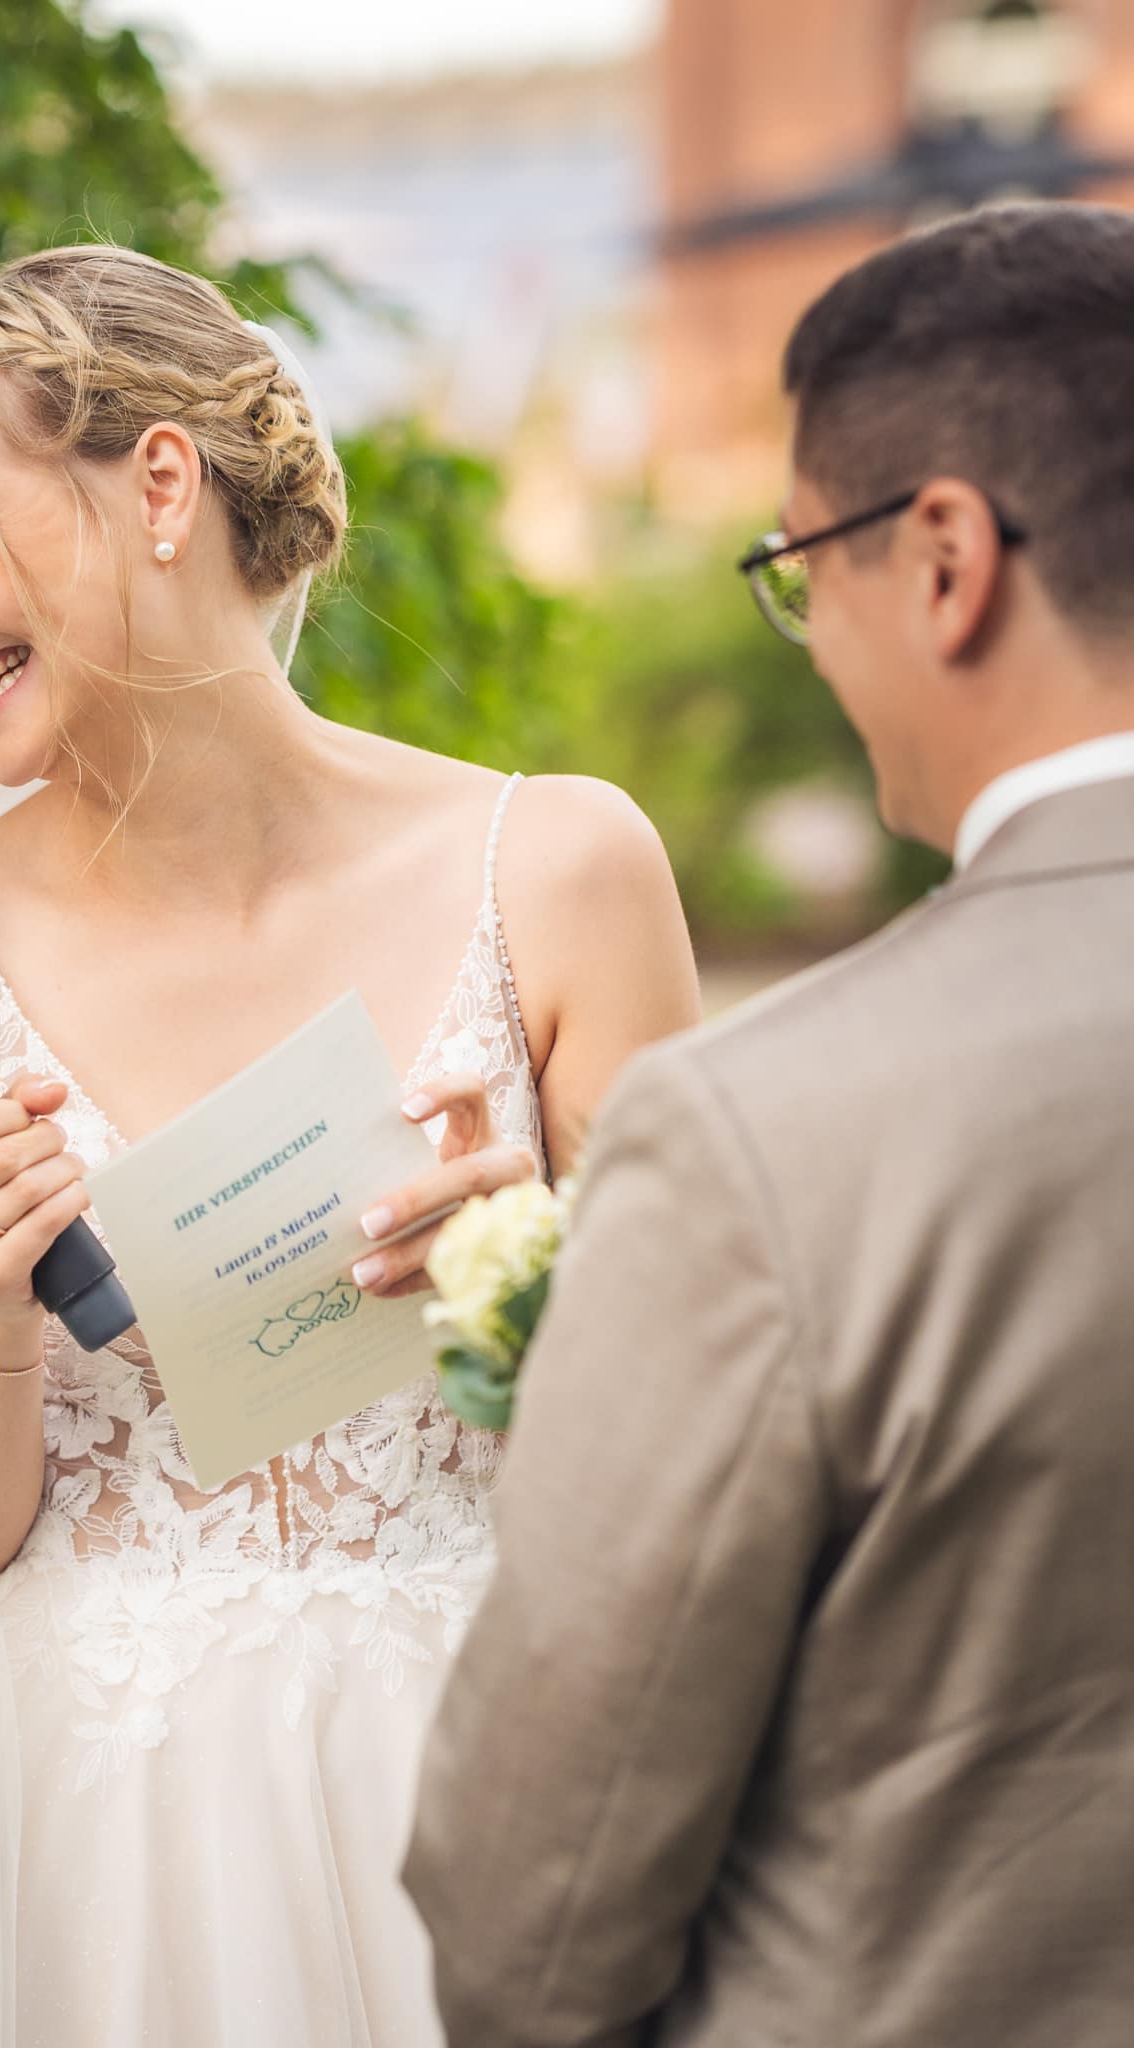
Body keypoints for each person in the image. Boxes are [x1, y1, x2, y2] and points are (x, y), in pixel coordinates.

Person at [0, 243, 698, 2047]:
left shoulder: (559, 871)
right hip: (93, 1844)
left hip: (495, 1782)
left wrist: (539, 1281)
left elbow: (718, 1438)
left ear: (159, 484)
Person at [403, 199, 1134, 2047]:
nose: (806, 633)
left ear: (948, 558)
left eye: (803, 564)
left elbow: (535, 1912)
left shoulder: (771, 1134)